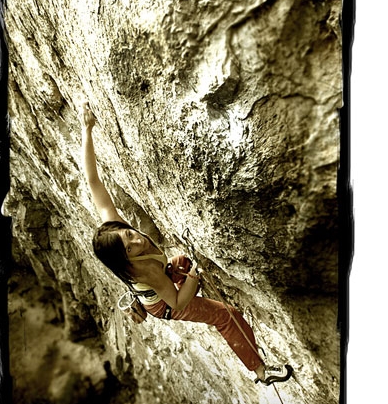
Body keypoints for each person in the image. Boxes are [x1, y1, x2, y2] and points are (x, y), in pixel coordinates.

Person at [80, 101, 292, 386]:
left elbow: (93, 182)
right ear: (127, 258)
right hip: (167, 305)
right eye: (130, 247)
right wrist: (194, 277)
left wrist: (87, 129)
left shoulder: (116, 232)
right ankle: (261, 372)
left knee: (180, 262)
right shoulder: (147, 272)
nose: (136, 238)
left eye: (128, 234)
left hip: (165, 283)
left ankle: (187, 274)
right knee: (225, 315)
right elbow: (178, 301)